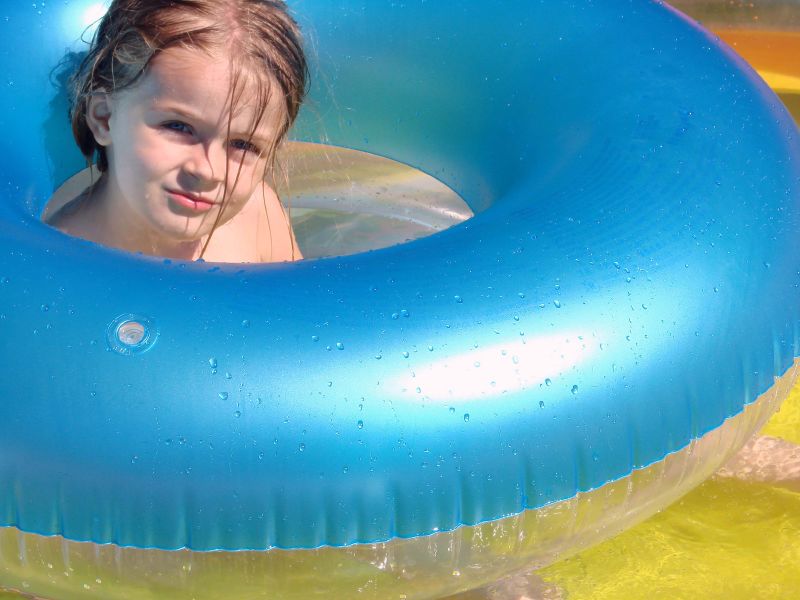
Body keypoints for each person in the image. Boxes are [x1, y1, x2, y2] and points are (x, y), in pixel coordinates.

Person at [46, 0, 307, 263]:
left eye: (243, 145)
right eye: (179, 127)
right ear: (104, 118)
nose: (208, 171)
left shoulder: (257, 216)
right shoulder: (60, 258)